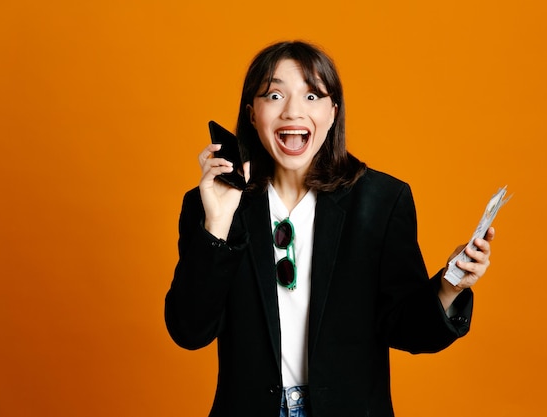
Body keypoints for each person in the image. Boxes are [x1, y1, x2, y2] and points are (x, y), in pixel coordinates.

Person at [164, 40, 495, 417]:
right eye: (274, 95)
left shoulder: (381, 201)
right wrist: (217, 225)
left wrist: (450, 284)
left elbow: (406, 330)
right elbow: (189, 331)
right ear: (252, 114)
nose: (292, 111)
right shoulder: (210, 203)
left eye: (312, 96)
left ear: (333, 112)